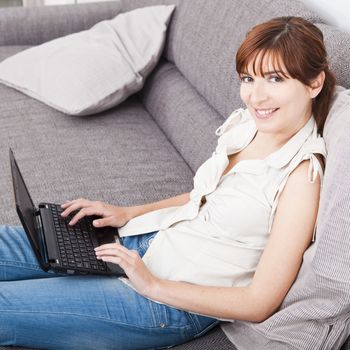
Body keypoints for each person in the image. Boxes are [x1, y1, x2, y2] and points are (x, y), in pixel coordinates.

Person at [0, 16, 336, 349]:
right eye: (248, 78)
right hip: (145, 243)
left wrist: (152, 286)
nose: (255, 96)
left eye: (275, 79)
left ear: (314, 84)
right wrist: (127, 213)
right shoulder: (248, 123)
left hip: (167, 302)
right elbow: (203, 197)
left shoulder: (300, 178)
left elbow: (259, 302)